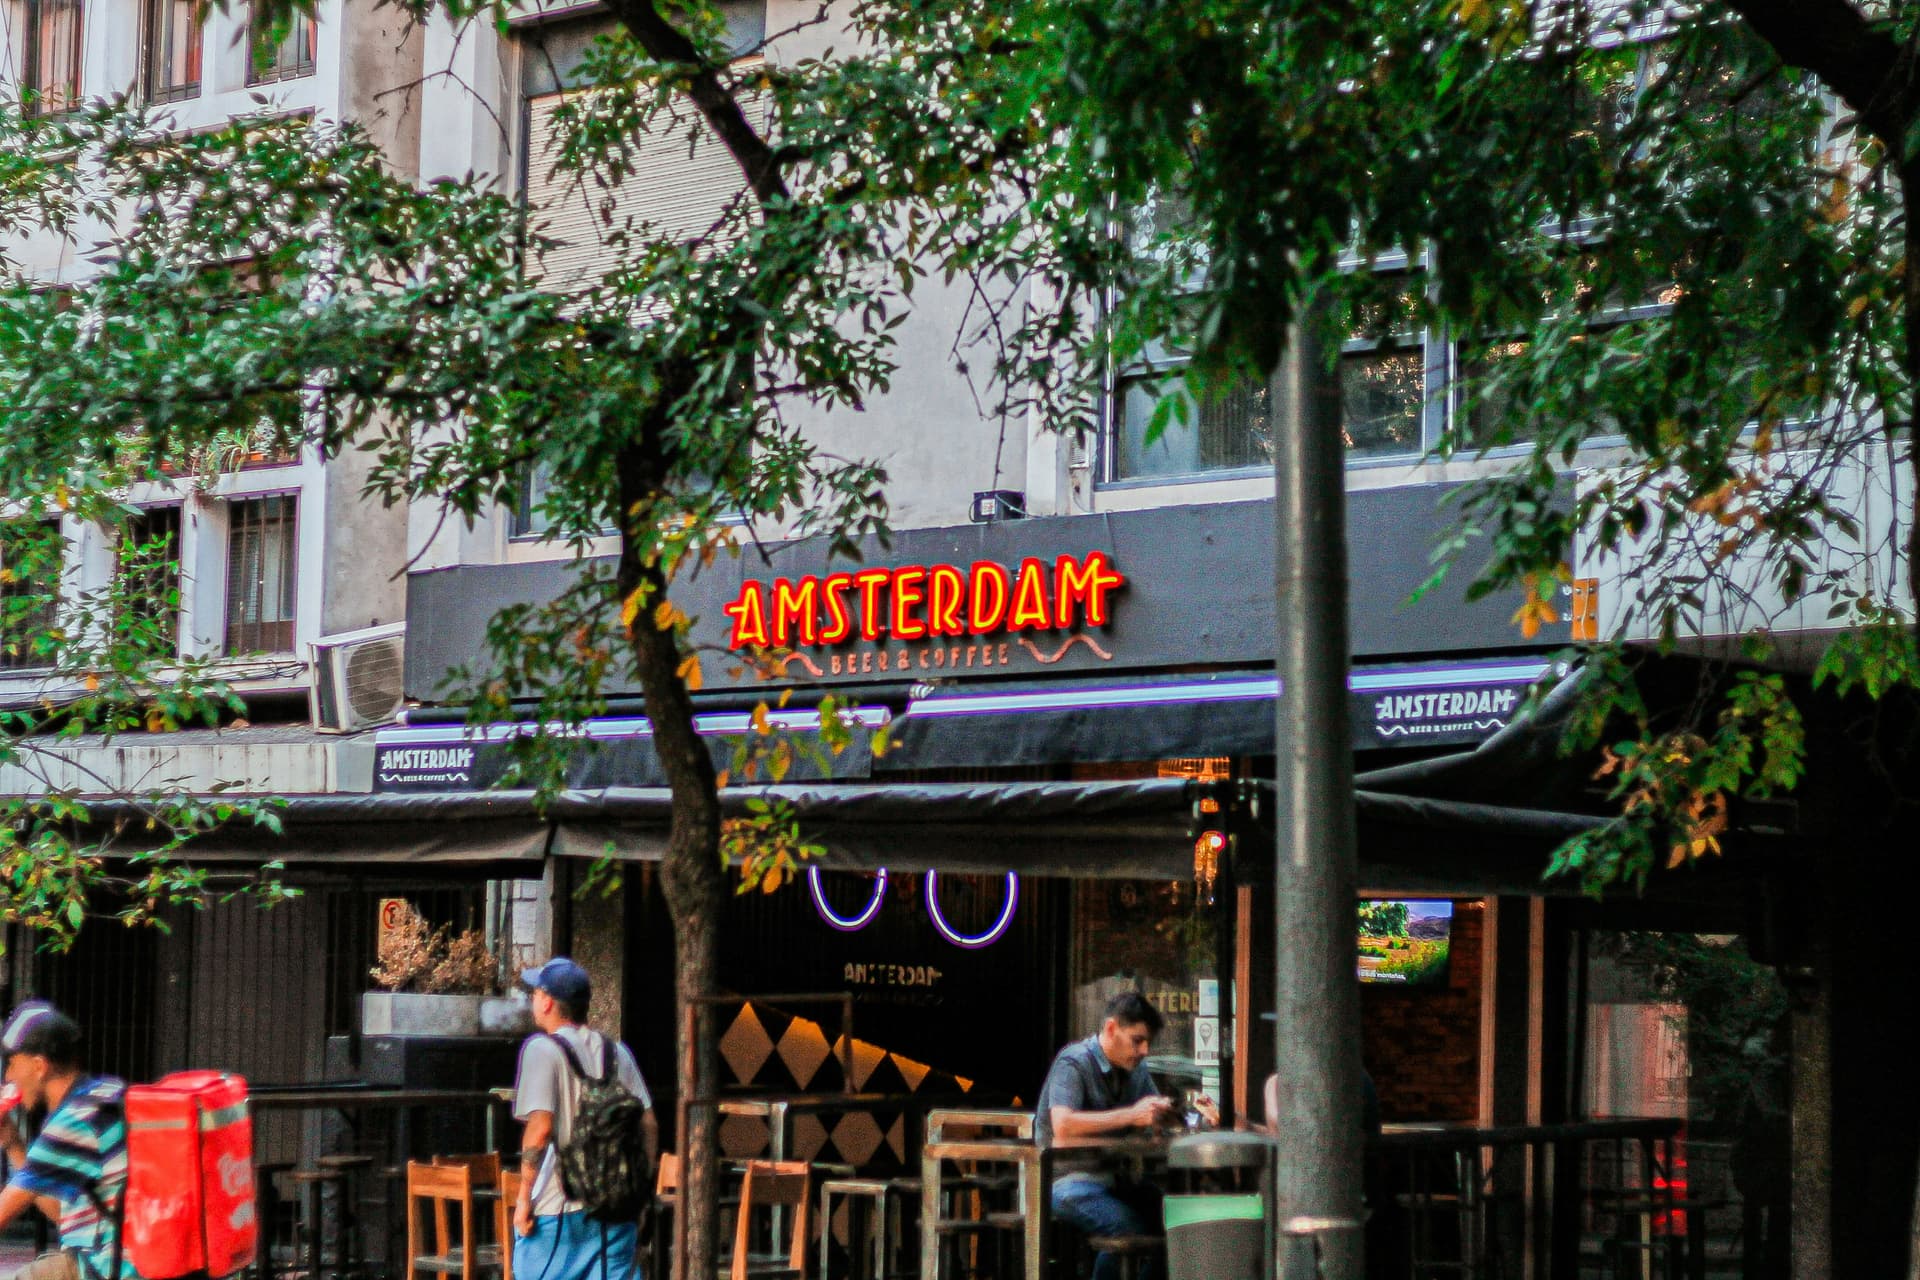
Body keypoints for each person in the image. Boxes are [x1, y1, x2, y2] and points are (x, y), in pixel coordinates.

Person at [512, 957, 659, 1280]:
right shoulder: (617, 1052)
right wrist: (639, 1191)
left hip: (559, 1210)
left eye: (535, 993)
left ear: (548, 1001)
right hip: (617, 1210)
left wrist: (523, 1199)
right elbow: (648, 1125)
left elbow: (540, 1130)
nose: (533, 999)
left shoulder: (542, 1050)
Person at [1036, 992, 1185, 1280]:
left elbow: (1150, 1111)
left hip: (1117, 1177)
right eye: (1137, 1040)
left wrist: (1167, 1114)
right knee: (1127, 1229)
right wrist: (1132, 1115)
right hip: (1064, 1181)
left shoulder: (1136, 1069)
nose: (1144, 1051)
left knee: (1176, 1223)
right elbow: (1063, 1126)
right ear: (1111, 1029)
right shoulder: (1074, 1061)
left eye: (1148, 1043)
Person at [0, 1002, 133, 1280]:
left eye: (12, 1063)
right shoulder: (105, 1095)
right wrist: (13, 1144)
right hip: (131, 1258)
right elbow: (64, 1213)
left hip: (105, 1266)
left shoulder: (72, 1123)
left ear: (39, 1066)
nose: (8, 1076)